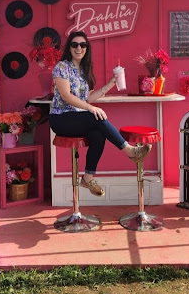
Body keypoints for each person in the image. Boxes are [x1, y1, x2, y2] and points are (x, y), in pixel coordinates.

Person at [49, 30, 152, 197]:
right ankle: (129, 151)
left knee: (98, 133)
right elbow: (67, 96)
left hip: (76, 118)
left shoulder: (84, 70)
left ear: (86, 48)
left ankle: (88, 178)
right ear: (69, 47)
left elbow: (87, 97)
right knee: (95, 116)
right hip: (61, 119)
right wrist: (91, 108)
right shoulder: (62, 67)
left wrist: (110, 84)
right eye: (75, 44)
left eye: (83, 45)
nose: (79, 48)